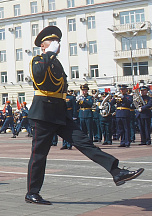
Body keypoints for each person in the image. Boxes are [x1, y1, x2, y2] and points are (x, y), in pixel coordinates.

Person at [26, 26, 144, 205]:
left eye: (58, 42)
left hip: (59, 112)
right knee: (39, 155)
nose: (57, 45)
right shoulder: (38, 60)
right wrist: (48, 54)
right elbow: (39, 76)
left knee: (85, 142)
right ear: (43, 45)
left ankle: (116, 172)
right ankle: (32, 193)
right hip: (43, 113)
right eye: (53, 42)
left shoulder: (56, 63)